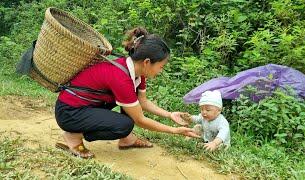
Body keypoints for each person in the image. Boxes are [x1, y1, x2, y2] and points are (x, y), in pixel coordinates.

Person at [54, 27, 199, 158]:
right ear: (147, 62)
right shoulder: (120, 77)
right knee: (124, 125)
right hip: (69, 112)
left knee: (130, 105)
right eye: (161, 67)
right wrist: (174, 131)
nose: (160, 71)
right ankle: (73, 135)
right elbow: (140, 120)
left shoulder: (137, 72)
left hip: (88, 105)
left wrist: (169, 115)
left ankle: (127, 139)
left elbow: (142, 102)